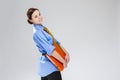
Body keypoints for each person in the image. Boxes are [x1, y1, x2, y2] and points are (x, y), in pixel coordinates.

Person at [26, 7, 70, 80]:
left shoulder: (42, 28)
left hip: (46, 66)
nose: (39, 17)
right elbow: (50, 51)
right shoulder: (37, 33)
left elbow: (55, 41)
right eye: (36, 16)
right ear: (31, 20)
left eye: (39, 14)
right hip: (50, 65)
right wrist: (63, 62)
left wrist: (66, 53)